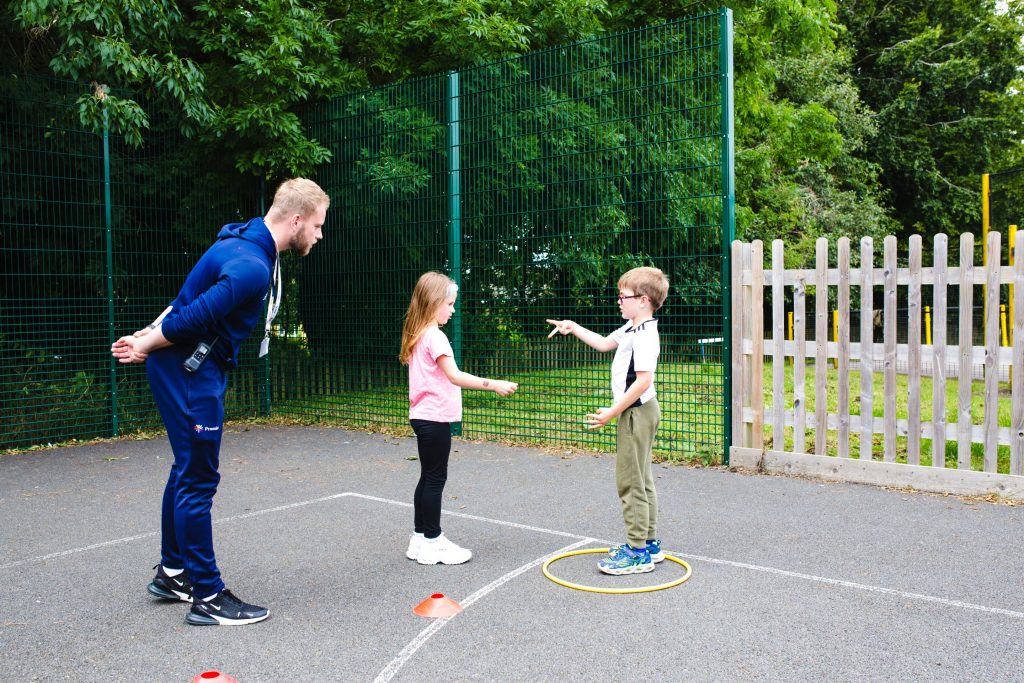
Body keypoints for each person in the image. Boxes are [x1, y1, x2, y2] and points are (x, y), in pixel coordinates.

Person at [110, 178, 329, 625]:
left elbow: (183, 298)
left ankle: (173, 573)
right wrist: (148, 343)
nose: (319, 235)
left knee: (185, 468)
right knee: (198, 478)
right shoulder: (250, 264)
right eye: (319, 226)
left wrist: (146, 335)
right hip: (190, 372)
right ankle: (207, 597)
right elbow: (195, 313)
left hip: (184, 366)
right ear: (297, 220)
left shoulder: (240, 239)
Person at [546, 266, 669, 575]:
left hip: (636, 412)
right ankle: (649, 544)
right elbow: (603, 343)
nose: (618, 300)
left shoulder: (644, 334)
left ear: (642, 300)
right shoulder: (631, 327)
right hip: (641, 410)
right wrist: (572, 327)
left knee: (630, 481)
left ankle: (637, 552)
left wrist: (613, 411)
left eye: (623, 296)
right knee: (642, 477)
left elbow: (642, 381)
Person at [398, 271, 518, 565]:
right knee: (435, 478)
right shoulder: (435, 337)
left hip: (422, 417)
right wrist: (494, 384)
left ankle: (419, 538)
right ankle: (433, 541)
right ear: (434, 302)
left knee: (428, 476)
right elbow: (455, 376)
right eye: (449, 304)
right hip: (434, 419)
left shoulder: (418, 335)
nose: (452, 310)